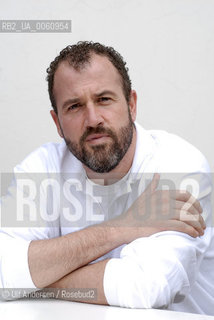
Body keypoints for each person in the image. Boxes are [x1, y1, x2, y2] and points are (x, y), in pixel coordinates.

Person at [0, 41, 213, 315]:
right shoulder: (43, 166)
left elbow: (145, 287)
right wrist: (123, 227)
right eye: (74, 106)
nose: (92, 119)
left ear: (131, 104)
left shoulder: (179, 165)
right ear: (57, 122)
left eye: (104, 99)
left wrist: (31, 280)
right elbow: (3, 267)